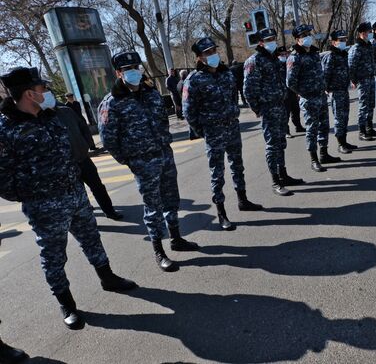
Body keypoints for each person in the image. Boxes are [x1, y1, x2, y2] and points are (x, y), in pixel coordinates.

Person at [0, 67, 136, 330]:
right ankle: (67, 304)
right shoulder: (5, 128)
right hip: (44, 206)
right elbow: (3, 177)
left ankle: (108, 278)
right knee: (53, 256)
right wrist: (34, 195)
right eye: (42, 89)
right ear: (29, 93)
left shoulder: (50, 117)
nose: (47, 93)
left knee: (92, 239)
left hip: (75, 194)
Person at [99, 52, 199, 273]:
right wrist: (130, 160)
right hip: (142, 162)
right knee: (153, 207)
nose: (133, 70)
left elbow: (163, 122)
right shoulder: (112, 103)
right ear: (118, 73)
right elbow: (108, 139)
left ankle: (176, 238)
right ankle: (159, 251)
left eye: (135, 66)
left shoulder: (151, 93)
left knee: (172, 199)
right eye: (127, 68)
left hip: (164, 155)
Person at [182, 37, 263, 231]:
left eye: (213, 51)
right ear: (200, 57)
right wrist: (202, 130)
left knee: (238, 165)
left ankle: (242, 200)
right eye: (208, 53)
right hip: (213, 131)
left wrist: (233, 115)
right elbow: (188, 111)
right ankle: (221, 212)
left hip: (232, 127)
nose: (213, 55)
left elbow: (234, 97)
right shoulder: (193, 80)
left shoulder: (226, 74)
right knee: (217, 173)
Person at [243, 28, 305, 196]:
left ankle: (283, 175)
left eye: (274, 38)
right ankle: (275, 181)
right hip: (268, 108)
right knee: (272, 145)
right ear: (261, 42)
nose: (273, 41)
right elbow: (248, 90)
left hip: (280, 105)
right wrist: (258, 109)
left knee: (280, 143)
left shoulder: (274, 59)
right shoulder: (254, 61)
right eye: (269, 39)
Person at [286, 24, 341, 172]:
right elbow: (290, 81)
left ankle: (324, 154)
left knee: (324, 126)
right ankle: (314, 159)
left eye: (308, 34)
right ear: (297, 39)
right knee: (312, 129)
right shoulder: (295, 57)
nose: (308, 37)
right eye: (304, 35)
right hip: (309, 98)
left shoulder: (314, 53)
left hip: (321, 95)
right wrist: (302, 92)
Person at [55, 104, 124, 220]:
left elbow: (83, 127)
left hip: (83, 158)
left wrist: (88, 144)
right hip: (67, 165)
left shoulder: (66, 111)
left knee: (98, 186)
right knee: (78, 192)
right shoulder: (41, 118)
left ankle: (109, 211)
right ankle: (87, 215)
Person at [322, 29, 357, 154]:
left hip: (343, 90)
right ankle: (340, 144)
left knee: (345, 117)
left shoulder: (343, 54)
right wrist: (327, 89)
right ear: (333, 42)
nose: (343, 42)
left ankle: (344, 141)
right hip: (336, 92)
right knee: (339, 118)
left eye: (344, 39)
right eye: (340, 40)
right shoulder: (331, 56)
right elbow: (325, 75)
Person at [348, 22, 376, 141]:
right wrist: (353, 80)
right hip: (363, 80)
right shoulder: (356, 48)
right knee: (363, 106)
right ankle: (361, 131)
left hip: (371, 78)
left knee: (371, 104)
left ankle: (369, 127)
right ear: (362, 33)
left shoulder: (368, 45)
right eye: (369, 32)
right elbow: (351, 66)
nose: (370, 33)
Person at [276, 46, 306, 137]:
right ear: (278, 56)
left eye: (285, 54)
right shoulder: (276, 66)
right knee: (285, 114)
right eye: (281, 54)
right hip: (283, 94)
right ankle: (286, 131)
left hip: (292, 91)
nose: (284, 56)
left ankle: (298, 126)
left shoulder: (289, 63)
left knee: (296, 110)